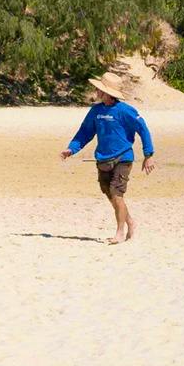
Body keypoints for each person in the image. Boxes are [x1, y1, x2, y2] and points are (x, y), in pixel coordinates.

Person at [60, 71, 156, 244]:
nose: (96, 91)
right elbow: (85, 132)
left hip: (123, 158)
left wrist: (148, 155)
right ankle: (130, 221)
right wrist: (72, 149)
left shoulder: (125, 111)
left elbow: (143, 129)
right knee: (109, 193)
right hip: (103, 159)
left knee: (116, 193)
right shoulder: (96, 111)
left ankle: (119, 233)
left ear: (107, 92)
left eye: (99, 89)